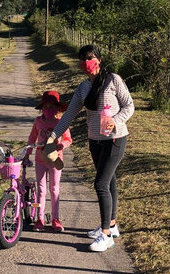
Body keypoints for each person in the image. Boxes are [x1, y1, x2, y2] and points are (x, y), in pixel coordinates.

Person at [45, 45, 134, 252]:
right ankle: (111, 225)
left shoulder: (113, 80)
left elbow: (129, 105)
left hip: (115, 138)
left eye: (91, 57)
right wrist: (52, 135)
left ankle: (105, 236)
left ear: (99, 60)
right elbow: (69, 115)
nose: (87, 62)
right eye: (83, 59)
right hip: (95, 140)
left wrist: (116, 120)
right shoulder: (83, 88)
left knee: (101, 183)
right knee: (109, 180)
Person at [24, 90, 72, 232]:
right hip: (40, 160)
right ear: (42, 108)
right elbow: (32, 138)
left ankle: (55, 218)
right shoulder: (38, 122)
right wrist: (27, 154)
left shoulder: (61, 123)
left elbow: (69, 139)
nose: (48, 110)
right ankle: (40, 218)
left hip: (55, 160)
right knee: (41, 190)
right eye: (45, 107)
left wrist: (61, 145)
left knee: (54, 189)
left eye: (51, 107)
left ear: (57, 108)